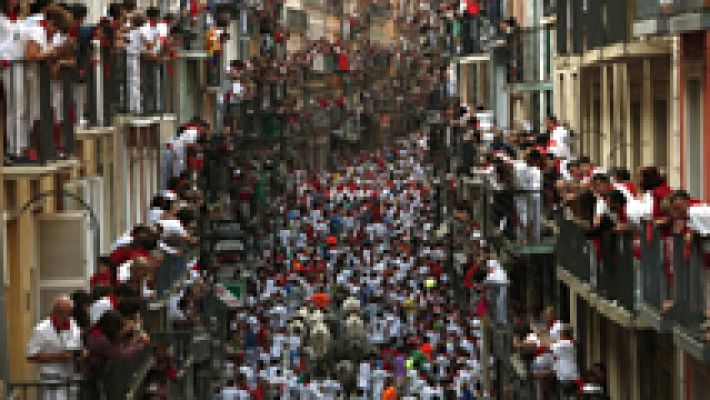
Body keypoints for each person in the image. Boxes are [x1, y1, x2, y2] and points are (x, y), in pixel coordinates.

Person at [27, 295, 82, 399]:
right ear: (55, 311)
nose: (67, 316)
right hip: (51, 378)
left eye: (69, 312)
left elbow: (76, 344)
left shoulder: (73, 325)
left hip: (70, 377)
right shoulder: (41, 329)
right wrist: (58, 356)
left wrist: (79, 352)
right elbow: (31, 355)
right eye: (63, 312)